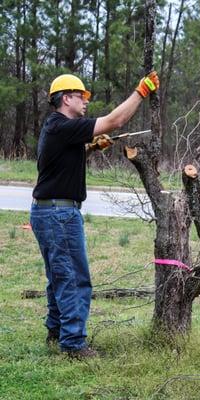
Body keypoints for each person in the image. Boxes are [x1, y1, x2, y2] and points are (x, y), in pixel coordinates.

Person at [30, 72, 159, 358]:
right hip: (59, 215)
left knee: (59, 276)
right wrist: (141, 91)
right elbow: (115, 121)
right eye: (81, 96)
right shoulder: (63, 126)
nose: (86, 102)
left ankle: (56, 331)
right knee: (74, 278)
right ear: (66, 99)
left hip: (48, 212)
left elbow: (59, 165)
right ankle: (74, 344)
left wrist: (88, 149)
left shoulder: (57, 129)